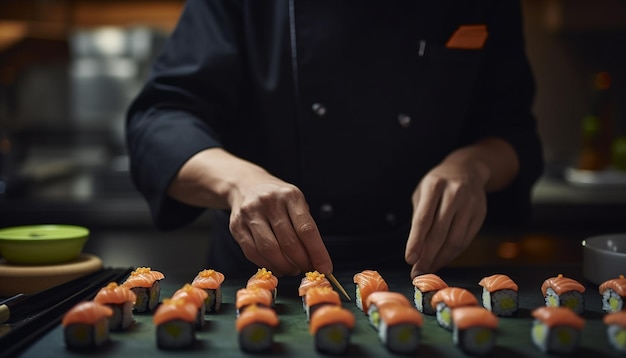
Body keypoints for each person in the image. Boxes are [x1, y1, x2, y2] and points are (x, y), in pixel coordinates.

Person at [126, 0, 543, 279]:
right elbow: (161, 118)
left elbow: (513, 131)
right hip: (263, 277)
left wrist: (474, 166)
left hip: (425, 274)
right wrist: (239, 182)